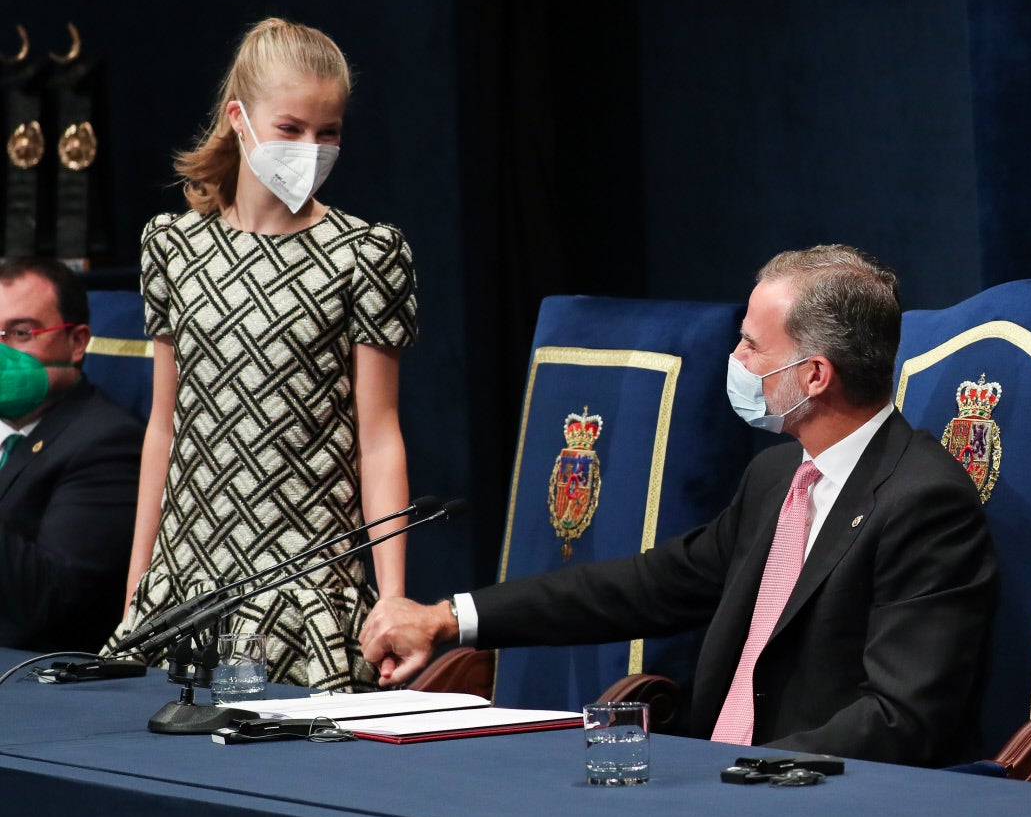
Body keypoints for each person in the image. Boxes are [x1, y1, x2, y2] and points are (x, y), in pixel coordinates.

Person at [362, 246, 999, 767]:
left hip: (816, 808)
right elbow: (648, 586)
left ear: (815, 375)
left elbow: (900, 718)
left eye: (752, 346)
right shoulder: (777, 475)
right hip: (720, 790)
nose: (736, 362)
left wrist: (726, 779)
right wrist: (449, 619)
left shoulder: (923, 501)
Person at [107, 18, 417, 690]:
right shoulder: (172, 245)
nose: (312, 147)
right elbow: (165, 426)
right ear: (238, 119)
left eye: (328, 130)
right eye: (292, 127)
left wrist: (391, 598)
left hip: (304, 587)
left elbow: (379, 435)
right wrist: (138, 582)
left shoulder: (366, 253)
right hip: (184, 583)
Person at [0, 257, 143, 652]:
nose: (2, 352)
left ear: (77, 342)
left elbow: (50, 605)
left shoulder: (108, 442)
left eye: (21, 333)